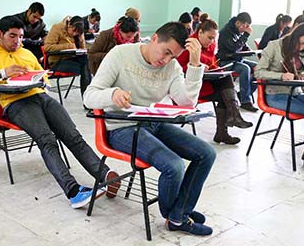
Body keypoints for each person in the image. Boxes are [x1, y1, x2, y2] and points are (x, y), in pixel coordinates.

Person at [0, 15, 120, 208]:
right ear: (0, 34)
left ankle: (104, 175)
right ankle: (73, 191)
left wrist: (38, 79)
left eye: (20, 36)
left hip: (41, 97)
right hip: (16, 103)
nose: (17, 41)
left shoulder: (26, 53)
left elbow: (43, 78)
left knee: (73, 136)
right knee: (47, 140)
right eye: (12, 36)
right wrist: (4, 74)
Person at [84, 22, 216, 236]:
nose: (165, 61)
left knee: (207, 153)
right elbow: (89, 96)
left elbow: (187, 103)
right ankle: (178, 215)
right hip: (122, 127)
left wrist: (194, 65)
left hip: (153, 122)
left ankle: (179, 212)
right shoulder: (120, 54)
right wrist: (112, 94)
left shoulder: (171, 67)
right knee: (174, 165)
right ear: (154, 38)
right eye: (165, 52)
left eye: (172, 56)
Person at [255, 22, 304, 174]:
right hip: (275, 95)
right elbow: (258, 72)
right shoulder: (274, 46)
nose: (302, 47)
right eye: (300, 43)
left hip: (295, 93)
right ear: (294, 36)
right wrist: (280, 75)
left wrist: (302, 76)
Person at [176, 18, 252, 145]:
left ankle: (225, 129)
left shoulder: (210, 45)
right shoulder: (189, 45)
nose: (212, 42)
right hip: (191, 88)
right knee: (225, 91)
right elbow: (177, 70)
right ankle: (232, 119)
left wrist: (216, 69)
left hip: (207, 83)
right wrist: (196, 67)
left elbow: (212, 64)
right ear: (200, 32)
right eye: (209, 37)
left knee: (226, 82)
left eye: (213, 39)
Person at [216, 12, 258, 112]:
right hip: (225, 61)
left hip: (236, 59)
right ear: (238, 23)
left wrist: (248, 49)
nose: (246, 29)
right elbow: (234, 48)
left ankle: (243, 94)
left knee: (258, 67)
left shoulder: (237, 31)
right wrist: (246, 35)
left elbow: (241, 45)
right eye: (245, 26)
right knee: (245, 69)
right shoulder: (226, 32)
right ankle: (245, 102)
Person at [44, 15, 91, 98]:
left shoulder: (79, 32)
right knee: (85, 68)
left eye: (77, 33)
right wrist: (67, 46)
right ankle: (88, 99)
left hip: (72, 59)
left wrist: (80, 40)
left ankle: (88, 99)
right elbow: (47, 48)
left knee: (86, 62)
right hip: (57, 62)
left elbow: (82, 49)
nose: (74, 34)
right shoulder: (57, 28)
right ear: (69, 25)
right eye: (73, 31)